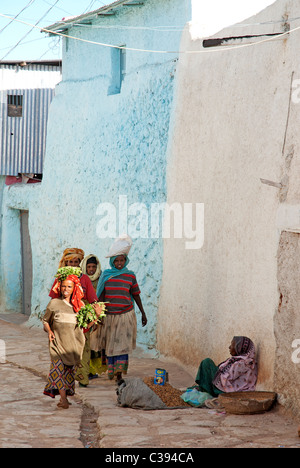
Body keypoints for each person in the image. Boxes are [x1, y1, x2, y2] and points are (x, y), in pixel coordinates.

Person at [96, 254, 147, 382]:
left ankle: (119, 373)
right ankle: (111, 370)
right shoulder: (106, 275)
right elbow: (101, 295)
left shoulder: (130, 275)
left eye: (122, 260)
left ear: (126, 260)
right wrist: (100, 315)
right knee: (111, 344)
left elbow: (136, 295)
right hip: (109, 316)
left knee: (122, 344)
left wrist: (143, 313)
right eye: (116, 261)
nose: (119, 263)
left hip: (125, 315)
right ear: (112, 262)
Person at [43, 271, 87, 409]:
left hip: (72, 347)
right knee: (58, 371)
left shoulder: (79, 307)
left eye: (69, 287)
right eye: (63, 286)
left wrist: (96, 316)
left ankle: (65, 398)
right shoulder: (54, 304)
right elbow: (45, 321)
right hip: (57, 345)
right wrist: (49, 331)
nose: (65, 290)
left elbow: (86, 327)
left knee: (68, 374)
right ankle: (63, 399)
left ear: (74, 288)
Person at [81, 254, 107, 380]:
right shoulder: (82, 279)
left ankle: (93, 370)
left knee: (96, 346)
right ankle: (88, 371)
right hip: (85, 316)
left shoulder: (101, 278)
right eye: (89, 266)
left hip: (97, 316)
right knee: (86, 345)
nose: (91, 269)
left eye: (93, 267)